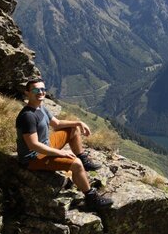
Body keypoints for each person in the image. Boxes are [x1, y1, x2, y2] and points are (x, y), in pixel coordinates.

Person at [15, 78, 112, 208]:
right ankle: (91, 198)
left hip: (46, 146)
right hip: (33, 158)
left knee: (73, 129)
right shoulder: (28, 116)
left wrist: (78, 122)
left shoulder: (40, 107)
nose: (41, 92)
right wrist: (61, 153)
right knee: (75, 164)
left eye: (43, 89)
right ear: (27, 93)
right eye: (36, 90)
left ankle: (83, 159)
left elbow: (57, 124)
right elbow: (33, 145)